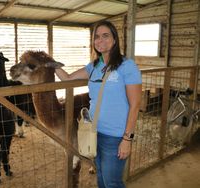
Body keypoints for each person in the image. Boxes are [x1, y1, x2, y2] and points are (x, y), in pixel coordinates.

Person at [55, 20, 142, 188]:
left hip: (115, 136)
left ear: (115, 39)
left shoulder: (127, 66)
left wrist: (127, 139)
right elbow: (66, 78)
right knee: (101, 178)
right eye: (96, 37)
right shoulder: (94, 66)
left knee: (112, 183)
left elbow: (135, 104)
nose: (100, 40)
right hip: (94, 132)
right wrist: (50, 63)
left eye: (105, 36)